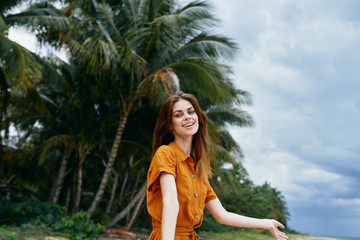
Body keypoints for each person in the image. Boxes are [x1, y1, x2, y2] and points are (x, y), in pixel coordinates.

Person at [146, 91, 288, 240]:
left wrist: (265, 223)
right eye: (178, 115)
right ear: (169, 125)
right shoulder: (166, 153)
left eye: (190, 112)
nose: (187, 116)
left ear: (198, 117)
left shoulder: (197, 168)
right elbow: (170, 202)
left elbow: (222, 215)